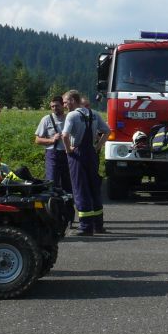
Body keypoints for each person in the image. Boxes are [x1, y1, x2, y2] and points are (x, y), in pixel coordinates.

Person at [63, 90, 109, 235]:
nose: (65, 105)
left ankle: (85, 227)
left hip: (78, 153)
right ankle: (98, 225)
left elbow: (65, 135)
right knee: (94, 187)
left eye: (65, 101)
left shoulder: (72, 115)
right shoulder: (94, 114)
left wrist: (68, 150)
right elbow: (107, 131)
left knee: (80, 188)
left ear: (72, 100)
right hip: (91, 153)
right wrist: (97, 147)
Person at [35, 95, 72, 193]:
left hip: (68, 154)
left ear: (63, 105)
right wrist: (51, 140)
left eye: (57, 106)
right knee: (51, 182)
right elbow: (37, 140)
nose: (55, 108)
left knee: (68, 183)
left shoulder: (70, 118)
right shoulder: (46, 119)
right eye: (52, 106)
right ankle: (53, 205)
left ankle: (68, 205)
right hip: (52, 154)